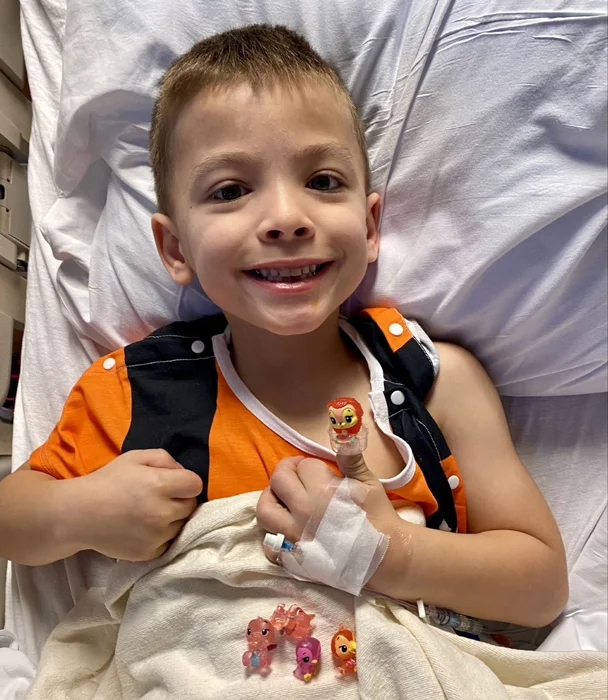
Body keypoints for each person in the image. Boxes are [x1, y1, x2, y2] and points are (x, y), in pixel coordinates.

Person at [0, 25, 567, 627]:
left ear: (369, 226)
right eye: (230, 190)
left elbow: (541, 589)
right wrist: (83, 512)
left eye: (322, 181)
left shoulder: (432, 380)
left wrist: (388, 553)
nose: (285, 218)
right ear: (174, 249)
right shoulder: (138, 393)